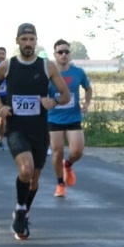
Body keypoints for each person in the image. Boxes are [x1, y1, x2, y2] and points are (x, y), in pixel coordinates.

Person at [0, 23, 70, 240]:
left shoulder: (47, 66)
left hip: (39, 130)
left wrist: (53, 101)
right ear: (17, 41)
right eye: (24, 39)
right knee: (26, 169)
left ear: (36, 41)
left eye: (31, 39)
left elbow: (66, 95)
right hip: (16, 128)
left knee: (34, 179)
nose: (28, 43)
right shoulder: (7, 66)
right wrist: (0, 106)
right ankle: (20, 208)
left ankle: (23, 212)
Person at [48, 39, 93, 198]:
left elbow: (88, 89)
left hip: (73, 117)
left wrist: (86, 103)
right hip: (53, 118)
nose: (64, 55)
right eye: (60, 52)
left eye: (66, 51)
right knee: (57, 152)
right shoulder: (49, 74)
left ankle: (68, 165)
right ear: (55, 54)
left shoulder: (78, 72)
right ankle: (60, 184)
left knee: (77, 151)